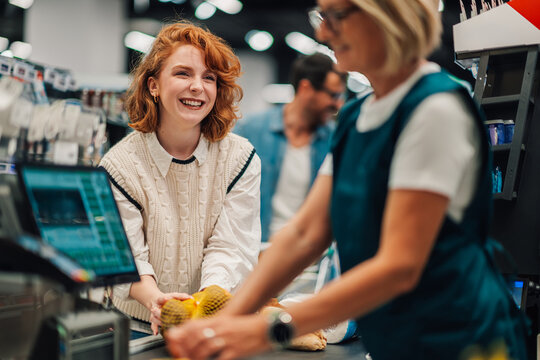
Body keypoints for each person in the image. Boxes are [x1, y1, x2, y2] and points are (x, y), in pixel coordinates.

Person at [164, 1, 530, 359]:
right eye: (322, 15)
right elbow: (306, 233)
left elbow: (398, 266)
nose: (323, 30)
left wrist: (269, 329)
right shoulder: (356, 116)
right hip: (396, 339)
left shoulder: (435, 109)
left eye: (336, 15)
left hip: (461, 342)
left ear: (386, 16)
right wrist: (227, 321)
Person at [99, 21, 261, 336]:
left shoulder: (240, 158)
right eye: (183, 73)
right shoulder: (119, 166)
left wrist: (207, 300)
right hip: (138, 327)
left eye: (209, 77)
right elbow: (128, 256)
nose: (198, 87)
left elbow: (231, 245)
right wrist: (155, 300)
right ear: (153, 85)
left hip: (211, 323)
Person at [234, 53, 346, 245]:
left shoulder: (335, 140)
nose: (338, 104)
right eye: (333, 95)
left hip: (306, 255)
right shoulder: (250, 131)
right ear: (305, 88)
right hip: (254, 249)